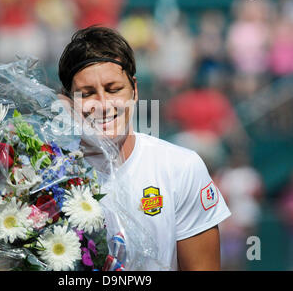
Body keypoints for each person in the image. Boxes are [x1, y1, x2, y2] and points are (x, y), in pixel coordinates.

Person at [58, 26, 231, 271]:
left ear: (135, 90)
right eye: (87, 94)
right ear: (67, 101)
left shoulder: (181, 168)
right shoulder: (47, 175)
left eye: (113, 89)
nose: (104, 104)